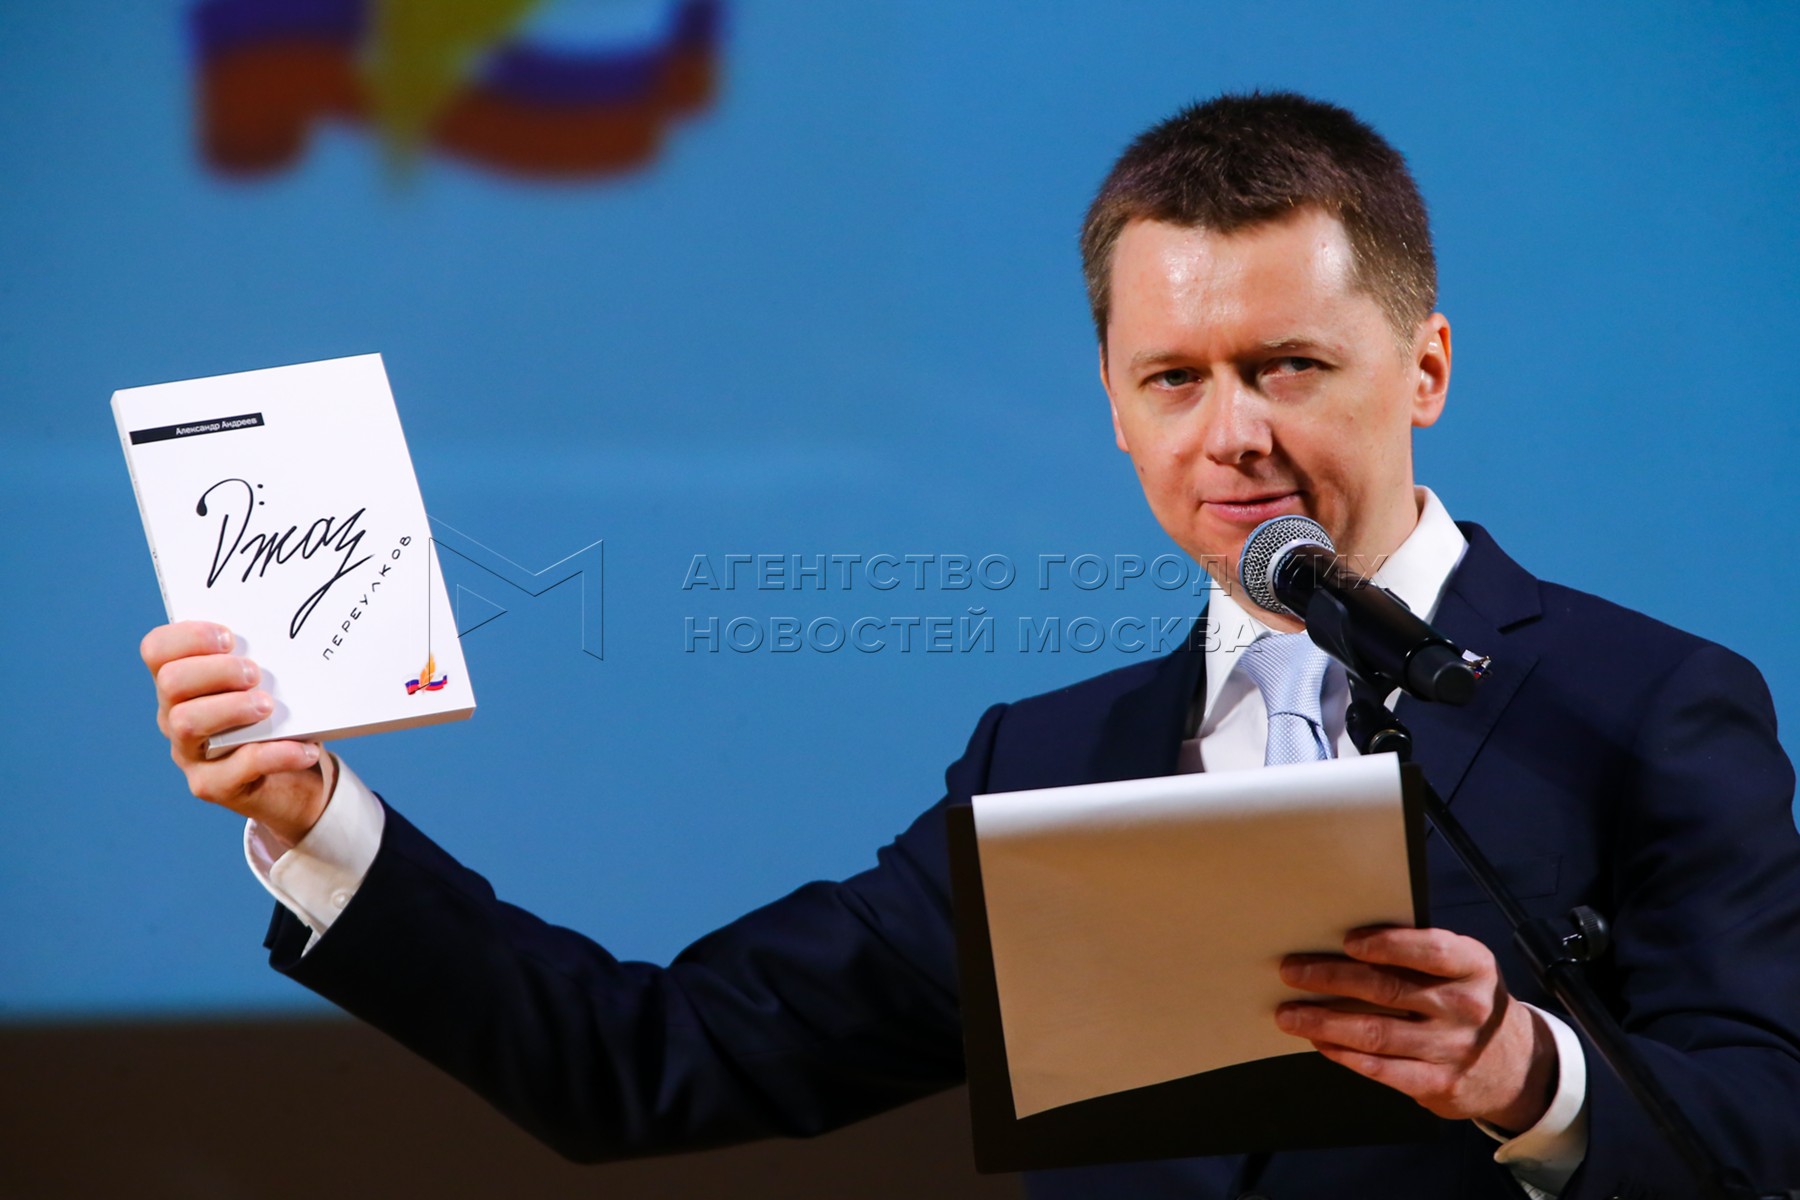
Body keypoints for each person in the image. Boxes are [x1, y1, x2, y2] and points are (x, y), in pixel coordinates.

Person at [139, 93, 1800, 1199]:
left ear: (1423, 366)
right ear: (1114, 408)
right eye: (1174, 379)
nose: (1231, 433)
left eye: (1288, 365)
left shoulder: (1646, 706)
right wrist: (317, 822)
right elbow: (649, 1064)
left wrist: (1529, 1079)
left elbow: (1769, 1134)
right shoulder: (1048, 762)